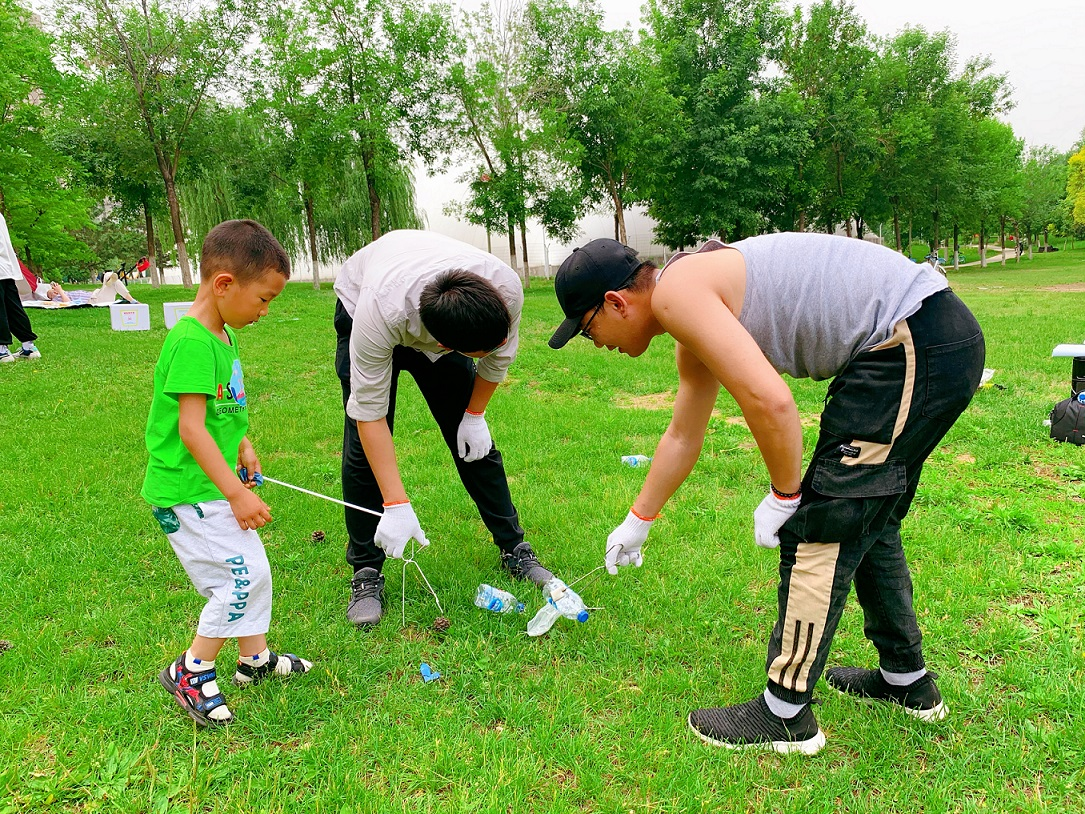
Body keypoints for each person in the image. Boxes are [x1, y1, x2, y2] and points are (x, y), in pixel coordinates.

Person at [549, 234, 985, 755]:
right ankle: (905, 681)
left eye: (587, 327)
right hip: (929, 335)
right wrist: (639, 519)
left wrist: (786, 495)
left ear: (616, 302)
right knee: (869, 519)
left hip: (910, 340)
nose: (593, 342)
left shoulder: (678, 294)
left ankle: (784, 714)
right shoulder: (692, 306)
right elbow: (684, 434)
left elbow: (772, 402)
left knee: (822, 528)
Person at [334, 229, 552, 627]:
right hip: (366, 301)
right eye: (478, 354)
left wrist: (474, 415)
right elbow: (369, 415)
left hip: (432, 298)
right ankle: (366, 570)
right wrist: (396, 505)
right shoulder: (378, 313)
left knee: (473, 444)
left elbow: (497, 360)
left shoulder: (504, 290)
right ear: (444, 346)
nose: (498, 350)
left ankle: (514, 547)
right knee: (361, 448)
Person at [141, 219, 312, 727]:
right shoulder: (192, 342)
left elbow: (219, 412)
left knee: (252, 568)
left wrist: (242, 443)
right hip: (189, 491)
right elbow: (191, 430)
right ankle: (191, 669)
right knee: (238, 580)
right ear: (223, 285)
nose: (265, 310)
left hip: (212, 483)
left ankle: (254, 660)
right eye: (263, 299)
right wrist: (236, 493)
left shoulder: (222, 334)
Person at [0, 212, 41, 362]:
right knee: (13, 308)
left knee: (3, 309)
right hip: (8, 268)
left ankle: (2, 350)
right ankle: (29, 347)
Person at [43, 271, 139, 305]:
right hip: (95, 300)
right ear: (51, 298)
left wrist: (59, 289)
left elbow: (62, 292)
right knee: (112, 281)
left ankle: (132, 300)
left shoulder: (64, 292)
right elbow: (68, 303)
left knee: (113, 279)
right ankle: (109, 279)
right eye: (52, 293)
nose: (54, 292)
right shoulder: (58, 299)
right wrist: (60, 292)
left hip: (96, 295)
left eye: (53, 290)